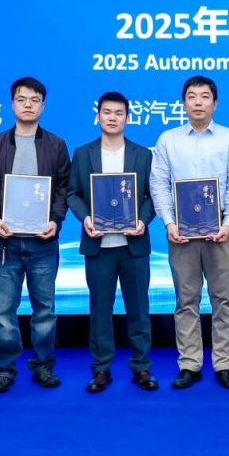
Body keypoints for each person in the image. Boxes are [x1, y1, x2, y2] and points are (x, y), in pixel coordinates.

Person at [150, 75, 229, 390]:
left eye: (204, 96)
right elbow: (158, 183)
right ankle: (190, 364)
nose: (197, 102)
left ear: (214, 103)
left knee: (224, 300)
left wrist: (228, 223)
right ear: (183, 102)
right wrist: (169, 223)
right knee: (186, 300)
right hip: (181, 231)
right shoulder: (168, 139)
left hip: (221, 229)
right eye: (191, 96)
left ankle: (224, 364)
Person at [0, 77, 71, 394]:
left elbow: (64, 187)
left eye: (34, 100)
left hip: (43, 243)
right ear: (12, 103)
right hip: (6, 243)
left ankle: (43, 365)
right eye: (22, 99)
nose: (28, 105)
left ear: (43, 105)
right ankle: (4, 370)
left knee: (45, 310)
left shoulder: (56, 145)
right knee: (4, 312)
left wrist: (55, 219)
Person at [67, 92, 157, 393]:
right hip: (99, 246)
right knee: (100, 311)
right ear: (98, 116)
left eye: (119, 113)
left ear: (128, 118)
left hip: (134, 246)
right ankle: (101, 369)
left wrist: (143, 220)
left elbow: (152, 196)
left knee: (139, 309)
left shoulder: (143, 154)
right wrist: (86, 218)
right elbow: (73, 194)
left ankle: (142, 367)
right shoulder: (83, 153)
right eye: (107, 112)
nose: (112, 117)